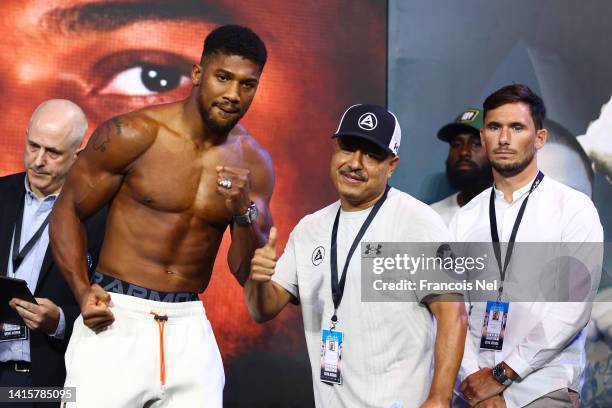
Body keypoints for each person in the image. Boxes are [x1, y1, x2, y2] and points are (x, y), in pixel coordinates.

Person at [49, 25, 272, 407]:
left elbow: (243, 270)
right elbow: (67, 210)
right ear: (199, 74)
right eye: (223, 78)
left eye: (247, 84)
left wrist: (243, 212)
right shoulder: (134, 134)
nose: (234, 95)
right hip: (117, 315)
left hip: (189, 325)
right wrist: (83, 290)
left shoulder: (255, 163)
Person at [244, 104, 468, 407]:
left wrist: (439, 399)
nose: (355, 163)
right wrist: (258, 280)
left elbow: (453, 315)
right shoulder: (310, 228)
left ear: (392, 165)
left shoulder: (418, 221)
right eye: (348, 148)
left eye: (372, 154)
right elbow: (263, 310)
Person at [450, 84, 603, 408]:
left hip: (543, 386)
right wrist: (474, 380)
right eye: (494, 127)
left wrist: (502, 375)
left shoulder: (573, 208)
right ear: (484, 137)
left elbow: (571, 310)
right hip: (473, 390)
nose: (504, 138)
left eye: (516, 127)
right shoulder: (465, 219)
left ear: (539, 139)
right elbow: (453, 309)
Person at [0, 100, 105, 405]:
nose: (37, 161)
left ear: (77, 155)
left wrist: (59, 320)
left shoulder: (98, 217)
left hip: (48, 381)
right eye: (33, 146)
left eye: (53, 153)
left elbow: (113, 307)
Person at [431, 108, 492, 224]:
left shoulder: (509, 214)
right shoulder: (432, 217)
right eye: (456, 144)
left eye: (476, 144)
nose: (464, 152)